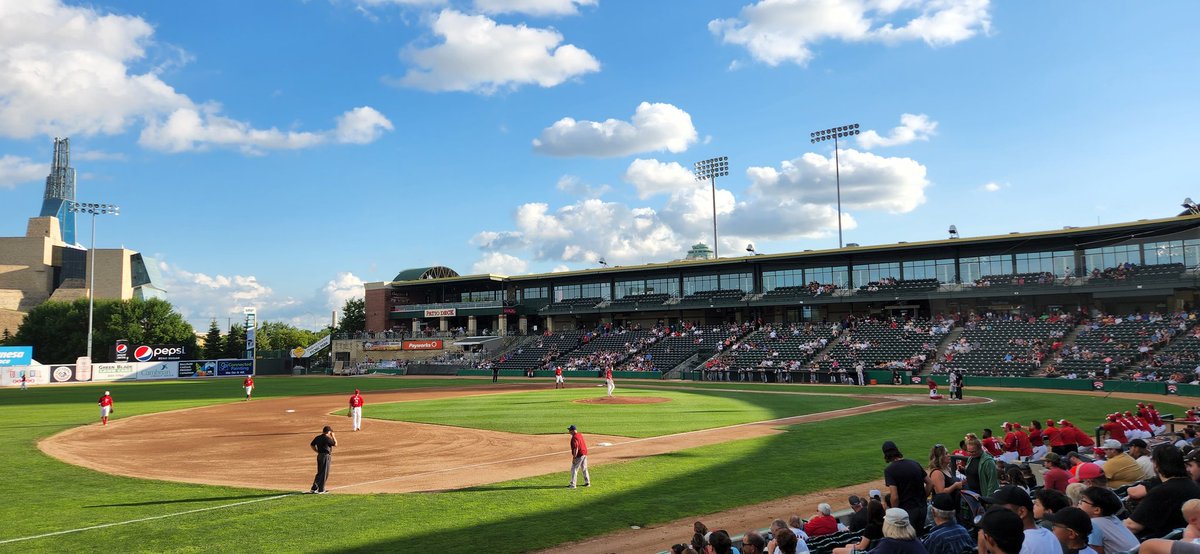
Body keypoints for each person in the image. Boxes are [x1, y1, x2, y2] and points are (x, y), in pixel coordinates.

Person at [1126, 444, 1200, 539]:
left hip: (1154, 544)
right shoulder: (1193, 485)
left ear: (1156, 464)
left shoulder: (1161, 491)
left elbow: (1132, 526)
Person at [982, 485, 1063, 554]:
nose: (994, 513)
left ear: (1022, 512)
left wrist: (983, 549)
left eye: (999, 509)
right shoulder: (1048, 534)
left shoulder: (1022, 544)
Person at [883, 440, 931, 532]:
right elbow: (930, 483)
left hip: (907, 512)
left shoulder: (889, 470)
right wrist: (923, 498)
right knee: (920, 536)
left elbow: (895, 497)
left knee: (908, 539)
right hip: (922, 509)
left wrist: (895, 513)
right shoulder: (914, 463)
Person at [1077, 487, 1138, 554]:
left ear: (1096, 510)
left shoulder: (1093, 524)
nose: (1079, 503)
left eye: (1083, 501)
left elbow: (1096, 552)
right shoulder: (1113, 517)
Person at [929, 444, 964, 509]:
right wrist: (955, 486)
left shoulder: (947, 468)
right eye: (946, 453)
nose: (949, 455)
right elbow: (940, 493)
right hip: (943, 511)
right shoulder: (937, 473)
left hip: (951, 506)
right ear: (940, 457)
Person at [309, 425, 336, 494]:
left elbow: (312, 445)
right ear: (328, 431)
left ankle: (314, 488)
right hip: (325, 456)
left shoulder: (318, 437)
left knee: (320, 472)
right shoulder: (327, 438)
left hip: (319, 456)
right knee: (324, 473)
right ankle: (321, 489)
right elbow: (335, 444)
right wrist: (333, 436)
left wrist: (317, 451)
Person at [567, 424, 590, 488]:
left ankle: (573, 485)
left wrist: (574, 457)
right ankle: (587, 483)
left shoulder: (574, 438)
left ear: (573, 431)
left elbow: (576, 448)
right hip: (584, 453)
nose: (569, 432)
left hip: (579, 455)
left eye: (570, 430)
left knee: (574, 469)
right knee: (584, 468)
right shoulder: (579, 435)